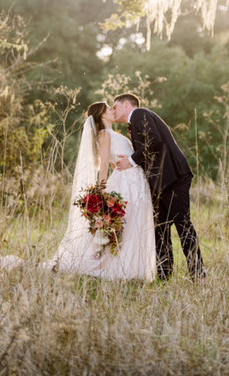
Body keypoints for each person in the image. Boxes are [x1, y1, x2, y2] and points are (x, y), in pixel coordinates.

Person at [50, 101, 156, 280]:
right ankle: (121, 267)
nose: (113, 111)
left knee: (133, 222)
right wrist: (102, 190)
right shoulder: (104, 134)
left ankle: (135, 268)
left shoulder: (113, 133)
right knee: (128, 222)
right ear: (102, 115)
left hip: (135, 179)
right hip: (125, 181)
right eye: (109, 109)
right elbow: (105, 163)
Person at [113, 93, 205, 282]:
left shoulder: (139, 114)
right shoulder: (135, 121)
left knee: (183, 226)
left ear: (126, 105)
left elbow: (154, 141)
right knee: (159, 229)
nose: (113, 111)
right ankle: (164, 275)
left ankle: (199, 275)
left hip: (174, 179)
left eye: (115, 107)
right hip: (160, 184)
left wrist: (131, 161)